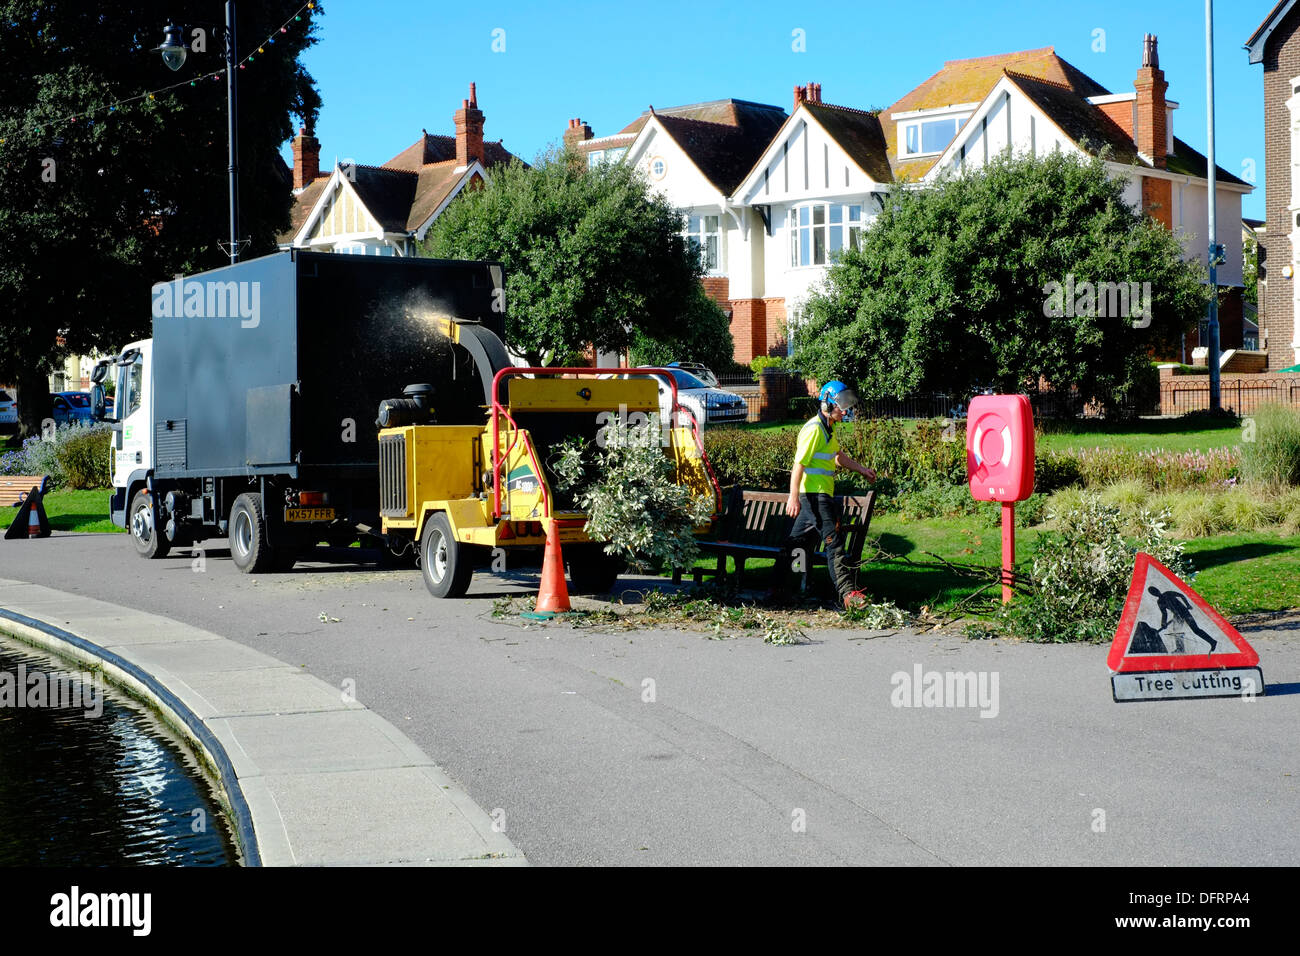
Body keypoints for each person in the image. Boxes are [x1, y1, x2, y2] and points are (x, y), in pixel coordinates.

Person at [770, 380, 877, 609]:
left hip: (819, 496)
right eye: (841, 406)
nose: (845, 410)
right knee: (834, 542)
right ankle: (849, 596)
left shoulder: (829, 428)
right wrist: (793, 497)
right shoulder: (814, 430)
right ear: (827, 405)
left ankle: (778, 590)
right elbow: (798, 465)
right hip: (814, 496)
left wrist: (861, 469)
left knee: (796, 545)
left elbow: (837, 456)